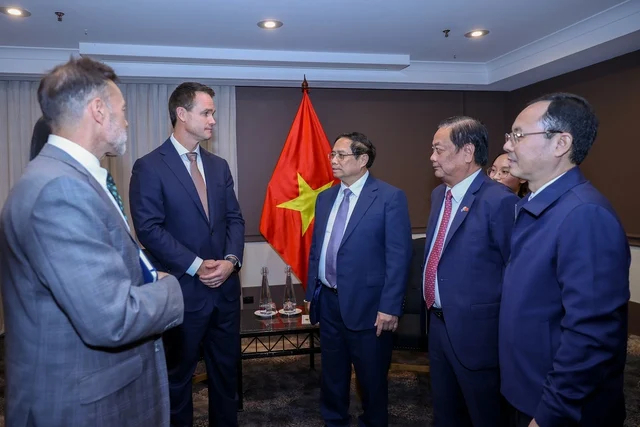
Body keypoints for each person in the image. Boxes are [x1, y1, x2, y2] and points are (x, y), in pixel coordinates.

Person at [0, 57, 184, 427]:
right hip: (81, 405)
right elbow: (111, 317)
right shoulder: (60, 189)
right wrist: (170, 288)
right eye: (123, 109)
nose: (127, 120)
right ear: (98, 110)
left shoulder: (66, 177)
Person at [500, 93, 630, 427]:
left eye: (517, 135)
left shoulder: (584, 214)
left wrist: (550, 414)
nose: (508, 144)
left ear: (560, 143)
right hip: (529, 392)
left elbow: (591, 335)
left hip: (559, 408)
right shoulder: (538, 205)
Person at [129, 82, 245, 427]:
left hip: (224, 292)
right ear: (182, 114)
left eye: (213, 113)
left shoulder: (219, 165)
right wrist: (196, 266)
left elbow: (235, 219)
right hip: (182, 292)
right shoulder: (149, 166)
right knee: (177, 380)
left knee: (226, 376)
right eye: (206, 112)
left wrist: (231, 261)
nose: (213, 121)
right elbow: (149, 229)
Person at [305, 132, 412, 427]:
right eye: (332, 155)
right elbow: (318, 248)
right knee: (333, 375)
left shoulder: (390, 197)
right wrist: (311, 292)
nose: (334, 160)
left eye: (341, 155)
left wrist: (390, 306)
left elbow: (399, 257)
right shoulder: (325, 197)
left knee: (372, 377)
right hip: (328, 302)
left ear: (363, 160)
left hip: (370, 307)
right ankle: (334, 420)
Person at [424, 116, 518, 427]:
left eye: (439, 149)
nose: (432, 157)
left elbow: (514, 273)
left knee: (485, 415)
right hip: (437, 325)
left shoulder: (499, 201)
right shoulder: (440, 195)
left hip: (479, 334)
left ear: (467, 152)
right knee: (446, 413)